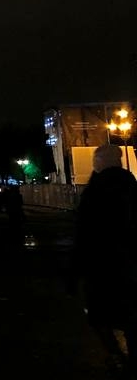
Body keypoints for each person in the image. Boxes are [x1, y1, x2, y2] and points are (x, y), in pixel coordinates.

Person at [71, 144, 137, 375]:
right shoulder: (131, 186)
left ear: (100, 162)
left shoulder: (95, 191)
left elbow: (84, 233)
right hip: (129, 263)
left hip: (101, 265)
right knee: (130, 315)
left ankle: (115, 355)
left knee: (99, 315)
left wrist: (75, 269)